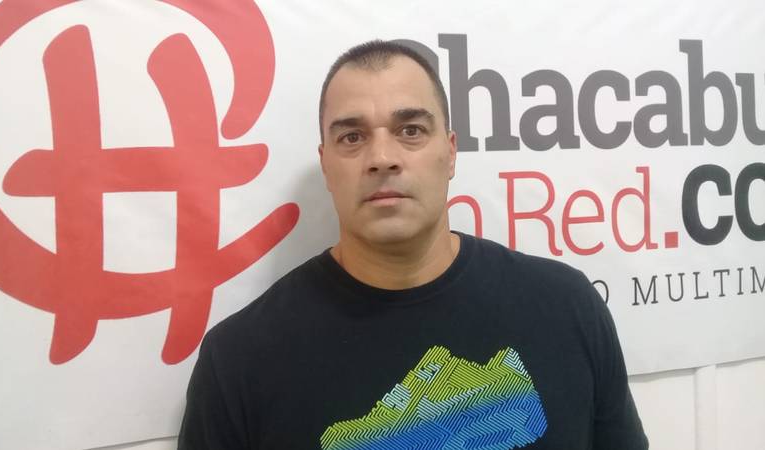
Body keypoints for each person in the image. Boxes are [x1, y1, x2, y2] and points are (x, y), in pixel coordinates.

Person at [177, 40, 648, 450]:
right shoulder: (238, 361)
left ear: (451, 152)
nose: (382, 157)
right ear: (326, 164)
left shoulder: (567, 306)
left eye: (411, 131)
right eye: (352, 137)